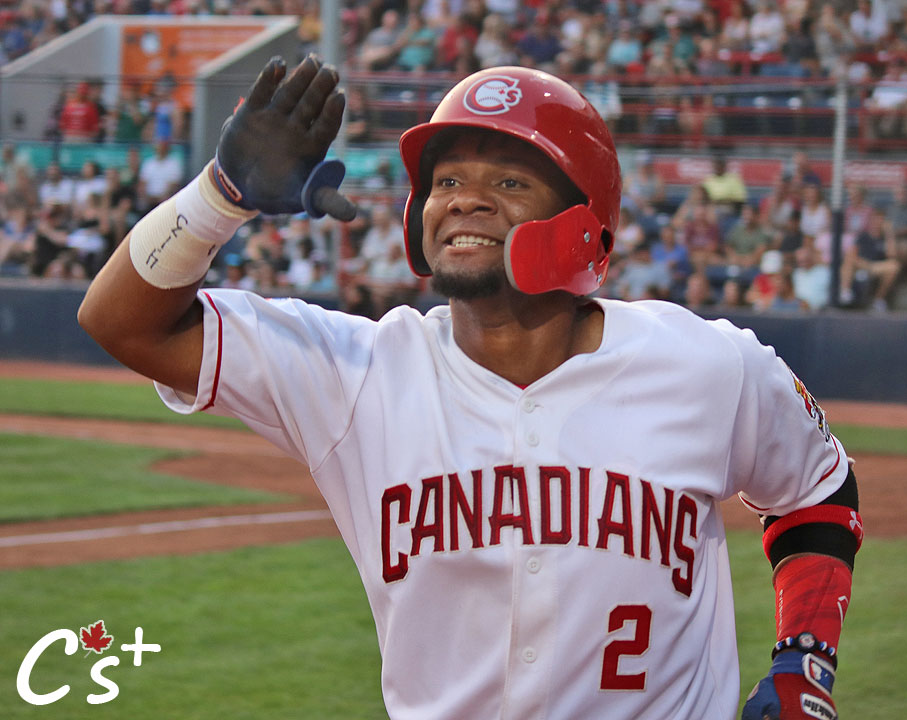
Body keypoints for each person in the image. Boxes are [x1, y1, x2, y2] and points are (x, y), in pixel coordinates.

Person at [78, 59, 861, 720]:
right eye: (446, 178)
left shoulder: (706, 366)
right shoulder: (355, 371)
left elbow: (818, 489)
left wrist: (805, 661)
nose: (463, 198)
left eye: (510, 179)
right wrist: (222, 196)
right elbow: (122, 322)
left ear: (588, 219)